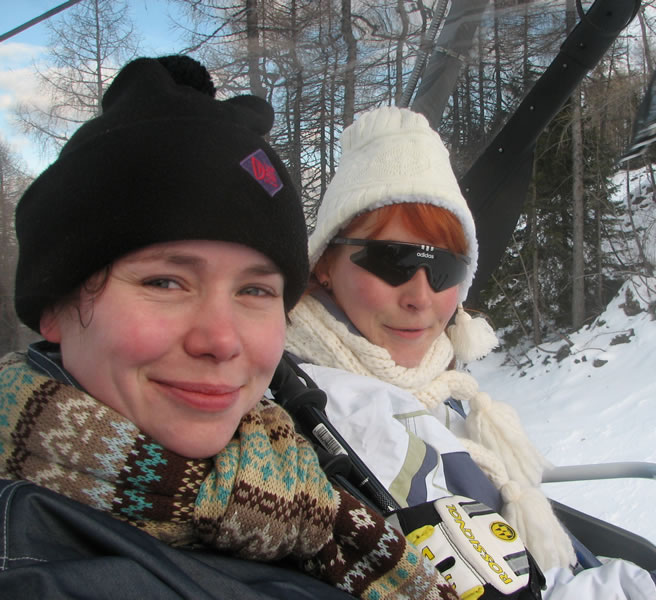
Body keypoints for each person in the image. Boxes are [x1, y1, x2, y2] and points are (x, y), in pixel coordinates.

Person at [285, 105, 656, 599]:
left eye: (445, 269)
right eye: (393, 260)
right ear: (324, 263)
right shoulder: (343, 414)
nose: (422, 297)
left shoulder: (415, 380)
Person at [0, 57, 457, 600]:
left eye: (255, 291)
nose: (221, 340)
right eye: (165, 282)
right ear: (55, 305)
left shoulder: (291, 477)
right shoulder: (38, 563)